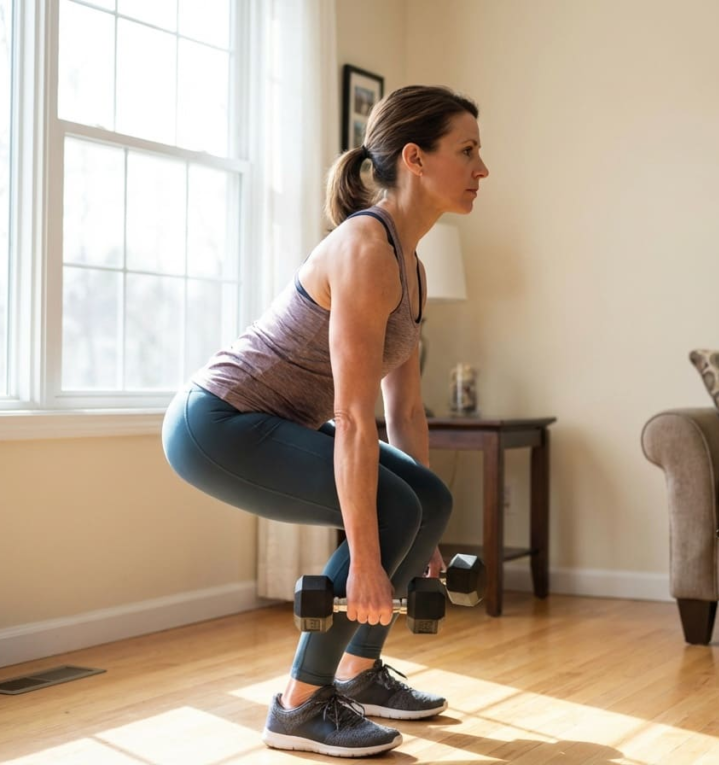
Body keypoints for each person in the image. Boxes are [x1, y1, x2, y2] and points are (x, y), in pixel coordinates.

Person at [161, 85, 489, 758]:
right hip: (218, 421)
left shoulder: (412, 265)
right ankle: (300, 704)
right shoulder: (365, 248)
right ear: (416, 159)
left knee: (427, 499)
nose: (483, 169)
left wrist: (426, 534)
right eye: (468, 150)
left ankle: (359, 673)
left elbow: (403, 408)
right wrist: (366, 559)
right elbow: (352, 413)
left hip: (281, 419)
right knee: (389, 511)